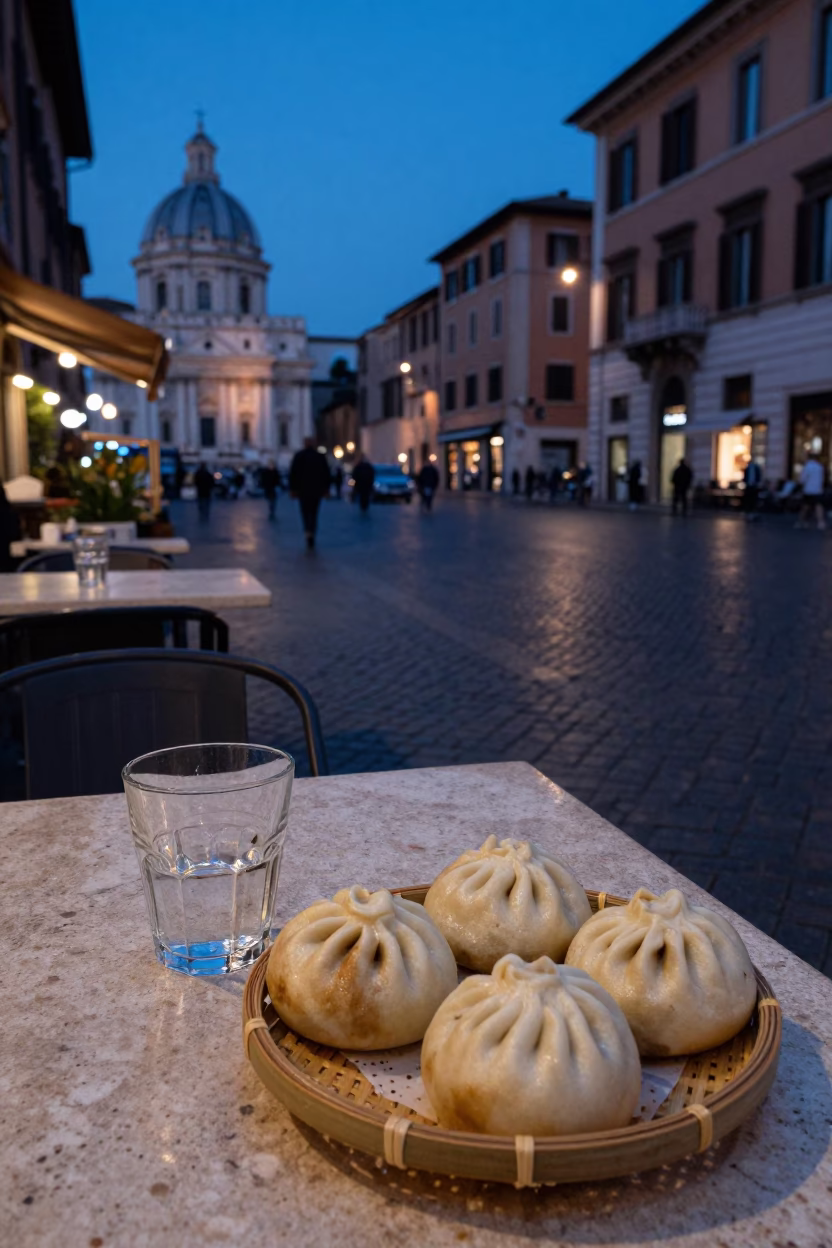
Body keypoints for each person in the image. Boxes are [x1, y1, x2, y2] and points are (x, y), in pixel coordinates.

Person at [289, 437, 331, 548]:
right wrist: (326, 489)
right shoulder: (320, 457)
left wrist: (293, 490)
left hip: (303, 491)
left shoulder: (299, 456)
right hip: (316, 491)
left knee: (305, 512)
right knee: (314, 513)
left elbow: (293, 474)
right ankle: (311, 531)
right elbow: (326, 474)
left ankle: (307, 531)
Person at [797, 453, 827, 531]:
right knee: (818, 505)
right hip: (817, 490)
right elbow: (822, 479)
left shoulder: (807, 467)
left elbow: (802, 480)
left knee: (805, 506)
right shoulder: (820, 467)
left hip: (808, 490)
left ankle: (801, 521)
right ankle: (820, 522)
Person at [743, 459, 762, 523]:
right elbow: (745, 477)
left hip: (754, 486)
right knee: (748, 500)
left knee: (753, 500)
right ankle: (748, 513)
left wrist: (757, 483)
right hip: (749, 486)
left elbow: (758, 477)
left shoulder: (756, 468)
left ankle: (752, 513)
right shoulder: (747, 469)